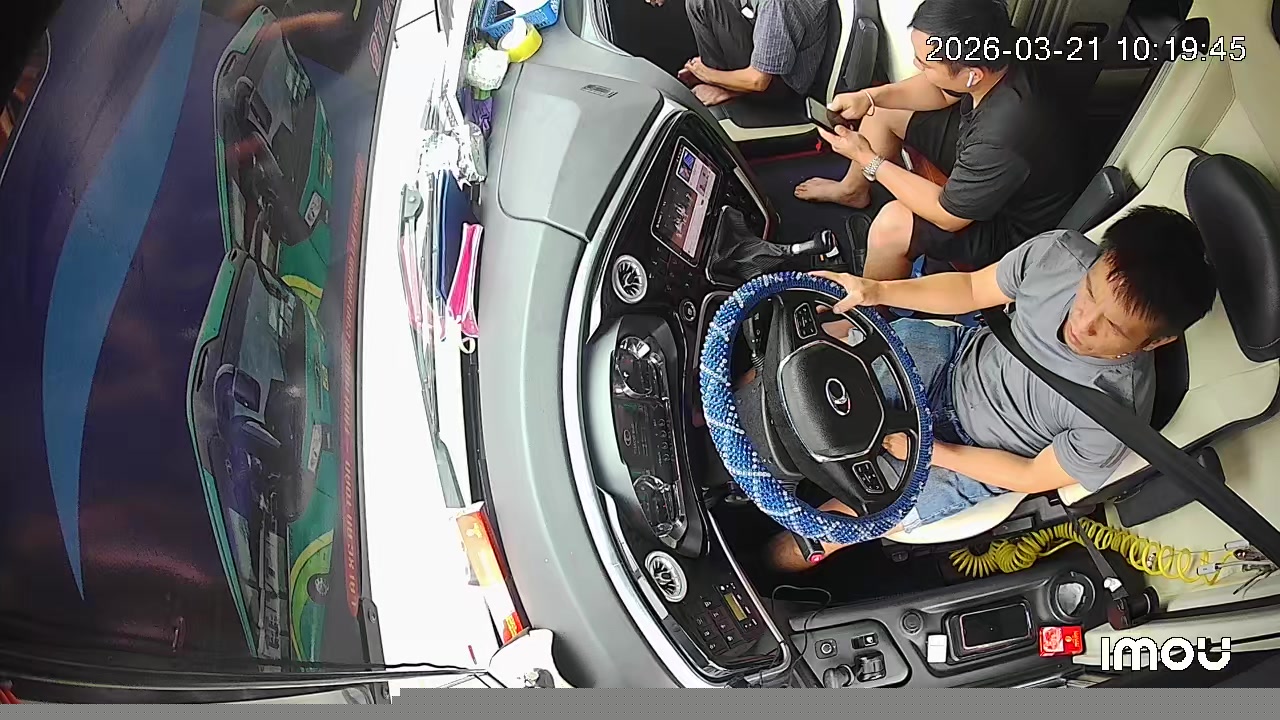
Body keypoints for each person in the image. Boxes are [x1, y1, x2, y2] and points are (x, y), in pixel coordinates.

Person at [764, 206, 1217, 573]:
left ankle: (759, 569)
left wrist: (932, 452)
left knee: (827, 528)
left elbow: (1030, 476)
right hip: (952, 359)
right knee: (805, 366)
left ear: (1157, 342)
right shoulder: (1058, 255)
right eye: (1090, 292)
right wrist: (877, 290)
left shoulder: (1117, 414)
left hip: (975, 457)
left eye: (1112, 327)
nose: (1083, 323)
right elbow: (970, 288)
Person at [794, 0, 1075, 281]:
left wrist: (869, 159)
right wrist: (869, 97)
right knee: (881, 110)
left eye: (926, 64)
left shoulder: (1003, 134)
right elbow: (941, 91)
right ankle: (852, 191)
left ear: (972, 75)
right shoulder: (995, 45)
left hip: (1011, 225)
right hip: (990, 161)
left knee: (892, 226)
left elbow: (947, 215)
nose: (916, 66)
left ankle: (869, 306)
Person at [644, 0, 830, 107]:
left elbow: (759, 81)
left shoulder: (776, 4)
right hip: (761, 40)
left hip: (781, 84)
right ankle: (721, 75)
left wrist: (706, 74)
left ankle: (727, 88)